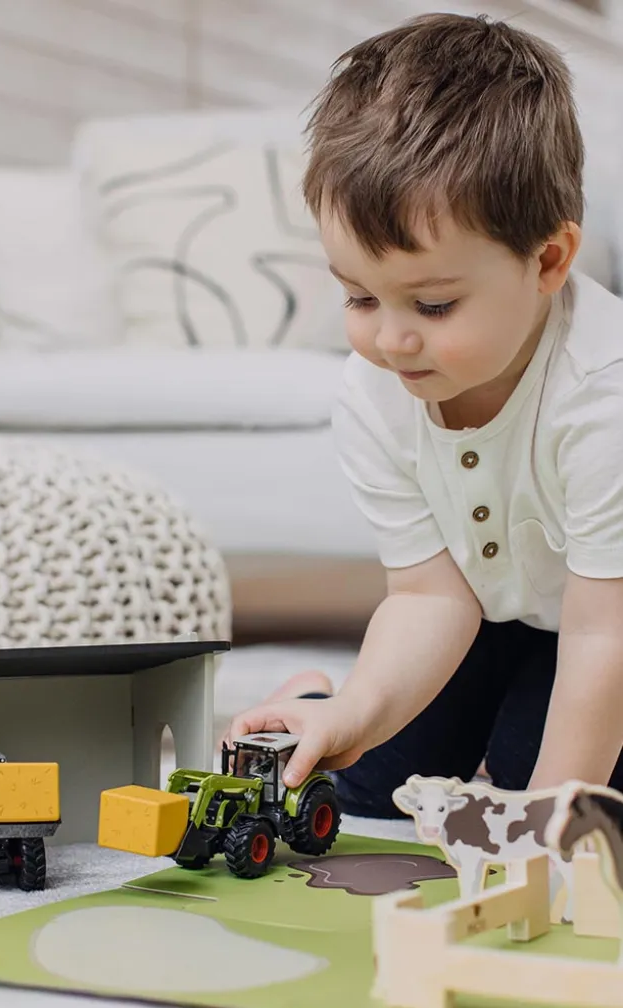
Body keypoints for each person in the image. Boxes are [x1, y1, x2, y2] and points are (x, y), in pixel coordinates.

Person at [225, 12, 623, 819]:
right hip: (493, 611)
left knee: (548, 787)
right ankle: (316, 696)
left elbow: (601, 635)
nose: (391, 339)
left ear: (548, 260)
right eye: (359, 297)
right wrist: (354, 712)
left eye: (434, 305)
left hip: (601, 621)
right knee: (367, 787)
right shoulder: (374, 390)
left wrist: (547, 821)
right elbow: (428, 597)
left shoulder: (603, 394)